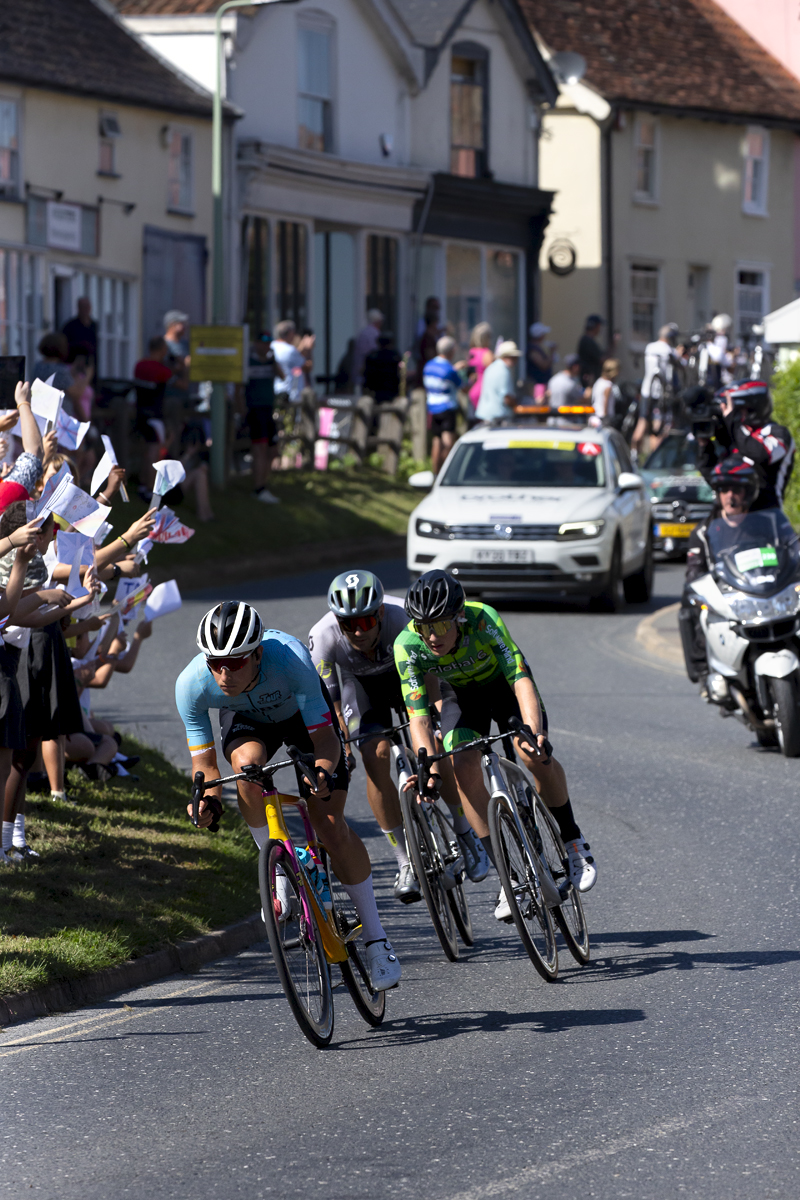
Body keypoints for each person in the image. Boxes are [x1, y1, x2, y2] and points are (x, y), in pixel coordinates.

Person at [175, 601, 402, 991]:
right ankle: (276, 867)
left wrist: (323, 773)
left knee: (330, 825)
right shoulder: (192, 683)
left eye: (236, 662)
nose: (224, 673)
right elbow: (207, 767)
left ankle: (377, 940)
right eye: (216, 663)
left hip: (304, 723)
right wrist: (205, 800)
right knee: (246, 766)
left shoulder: (292, 660)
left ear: (258, 653)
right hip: (247, 723)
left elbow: (326, 738)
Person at [394, 571, 597, 921]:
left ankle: (573, 841)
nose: (431, 636)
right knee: (461, 767)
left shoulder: (483, 619)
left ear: (459, 617)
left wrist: (535, 732)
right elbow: (419, 716)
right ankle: (510, 877)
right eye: (423, 626)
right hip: (463, 696)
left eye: (441, 626)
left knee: (530, 754)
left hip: (504, 687)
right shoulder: (407, 645)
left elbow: (519, 677)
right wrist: (426, 765)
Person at [308, 570, 488, 903]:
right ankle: (404, 859)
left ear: (379, 613)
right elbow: (328, 701)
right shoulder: (323, 635)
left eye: (365, 622)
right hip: (362, 688)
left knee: (435, 747)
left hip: (413, 676)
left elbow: (431, 671)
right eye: (349, 625)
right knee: (373, 756)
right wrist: (342, 742)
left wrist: (434, 717)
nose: (358, 632)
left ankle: (464, 832)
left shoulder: (403, 617)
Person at [679, 457, 759, 686]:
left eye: (737, 490)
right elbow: (694, 573)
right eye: (724, 490)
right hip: (726, 601)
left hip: (761, 595)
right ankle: (706, 673)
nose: (730, 496)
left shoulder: (763, 526)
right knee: (698, 609)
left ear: (748, 493)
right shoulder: (703, 532)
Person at [715, 380, 794, 512]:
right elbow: (714, 472)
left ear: (755, 408)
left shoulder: (778, 433)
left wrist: (733, 422)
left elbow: (760, 454)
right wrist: (704, 445)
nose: (734, 414)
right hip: (733, 518)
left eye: (739, 409)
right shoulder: (737, 433)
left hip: (766, 514)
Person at [633, 323, 685, 456]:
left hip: (647, 391)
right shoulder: (669, 350)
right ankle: (653, 457)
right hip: (660, 393)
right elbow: (681, 365)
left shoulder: (650, 347)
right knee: (658, 428)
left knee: (642, 421)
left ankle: (634, 453)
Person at [245, 333, 284, 505]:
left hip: (268, 410)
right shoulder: (248, 362)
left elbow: (282, 376)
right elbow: (239, 388)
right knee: (259, 449)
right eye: (263, 343)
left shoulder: (270, 362)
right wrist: (242, 410)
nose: (266, 347)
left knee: (272, 450)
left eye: (269, 343)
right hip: (255, 410)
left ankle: (264, 484)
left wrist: (273, 360)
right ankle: (258, 487)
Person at [134, 336, 172, 495]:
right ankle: (150, 487)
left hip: (140, 413)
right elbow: (180, 383)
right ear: (162, 350)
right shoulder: (162, 370)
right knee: (154, 452)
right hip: (155, 416)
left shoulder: (139, 366)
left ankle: (143, 483)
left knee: (146, 451)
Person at [422, 335, 462, 477]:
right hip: (447, 407)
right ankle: (446, 474)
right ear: (450, 351)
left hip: (432, 407)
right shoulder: (449, 370)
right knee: (448, 442)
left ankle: (435, 473)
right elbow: (462, 387)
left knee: (436, 441)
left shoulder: (428, 366)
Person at [31, 333, 89, 417]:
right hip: (59, 416)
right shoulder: (60, 370)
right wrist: (88, 375)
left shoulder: (38, 366)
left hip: (41, 412)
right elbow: (75, 393)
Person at [475, 341, 521, 422]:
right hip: (497, 418)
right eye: (514, 356)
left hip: (487, 415)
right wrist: (517, 406)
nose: (516, 360)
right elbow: (507, 398)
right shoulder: (503, 371)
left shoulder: (492, 367)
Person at [272, 321, 308, 407]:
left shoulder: (272, 346)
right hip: (290, 393)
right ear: (290, 333)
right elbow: (307, 367)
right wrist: (307, 348)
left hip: (276, 390)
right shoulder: (290, 350)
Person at [363, 333, 401, 407]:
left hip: (375, 393)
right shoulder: (395, 356)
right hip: (391, 392)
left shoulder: (372, 356)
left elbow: (366, 374)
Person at [466, 323, 494, 414]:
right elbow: (493, 373)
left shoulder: (472, 352)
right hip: (483, 391)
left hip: (472, 390)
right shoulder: (487, 353)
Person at [62, 297, 98, 366]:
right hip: (74, 365)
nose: (86, 309)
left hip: (92, 365)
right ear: (78, 308)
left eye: (87, 306)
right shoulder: (70, 327)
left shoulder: (95, 326)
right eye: (83, 306)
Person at [354, 310, 384, 385]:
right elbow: (375, 351)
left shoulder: (363, 332)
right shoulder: (375, 333)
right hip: (369, 370)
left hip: (360, 368)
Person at [591, 359, 622, 425]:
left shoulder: (599, 381)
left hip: (595, 415)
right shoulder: (608, 385)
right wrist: (605, 418)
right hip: (603, 417)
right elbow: (605, 402)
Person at [577, 314, 605, 387]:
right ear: (596, 326)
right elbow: (601, 359)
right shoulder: (587, 341)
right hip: (589, 381)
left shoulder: (586, 340)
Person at [526, 322, 554, 389]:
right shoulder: (532, 349)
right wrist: (552, 353)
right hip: (538, 385)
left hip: (542, 384)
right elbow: (543, 365)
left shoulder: (537, 348)